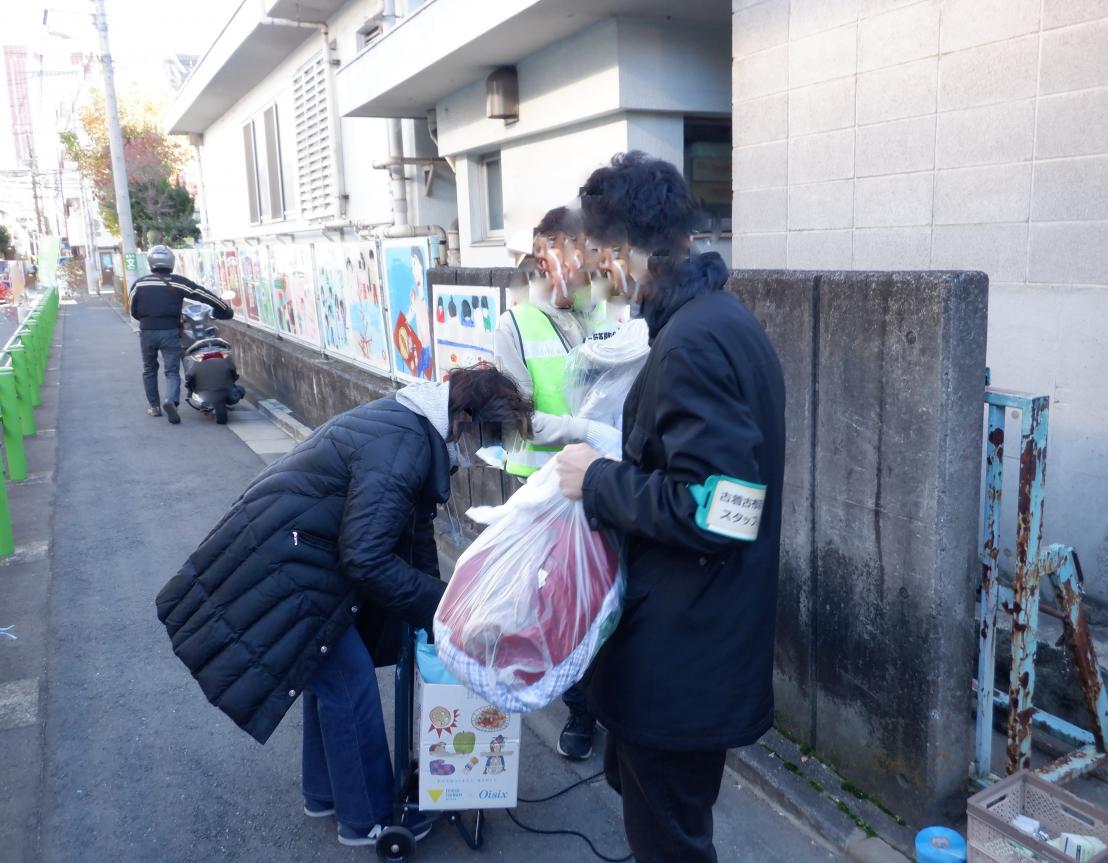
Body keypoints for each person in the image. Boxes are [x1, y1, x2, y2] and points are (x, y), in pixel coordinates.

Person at [155, 365, 534, 848]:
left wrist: (440, 614)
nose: (485, 451)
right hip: (290, 564)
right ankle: (366, 819)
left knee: (330, 677)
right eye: (488, 435)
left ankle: (325, 792)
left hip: (295, 552)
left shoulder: (410, 425)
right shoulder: (405, 446)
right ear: (463, 416)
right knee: (349, 685)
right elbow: (366, 557)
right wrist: (446, 607)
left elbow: (414, 533)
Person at [555, 151, 787, 863]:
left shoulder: (692, 342)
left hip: (683, 652)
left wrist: (597, 480)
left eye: (600, 254)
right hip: (695, 639)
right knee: (655, 812)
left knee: (671, 842)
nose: (601, 274)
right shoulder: (721, 319)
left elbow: (721, 511)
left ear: (627, 251)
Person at [492, 205, 617, 761]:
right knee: (556, 605)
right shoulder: (514, 323)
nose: (585, 263)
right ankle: (580, 711)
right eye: (574, 250)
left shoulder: (601, 310)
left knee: (606, 598)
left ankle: (611, 701)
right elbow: (520, 418)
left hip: (605, 482)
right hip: (539, 489)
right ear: (545, 252)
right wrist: (589, 429)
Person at [129, 245, 233, 424]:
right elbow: (202, 294)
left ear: (151, 262)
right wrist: (225, 310)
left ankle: (154, 407)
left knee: (149, 369)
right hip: (170, 330)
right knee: (171, 371)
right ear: (171, 262)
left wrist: (147, 320)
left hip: (147, 332)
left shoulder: (140, 283)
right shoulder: (178, 282)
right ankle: (171, 401)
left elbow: (133, 309)